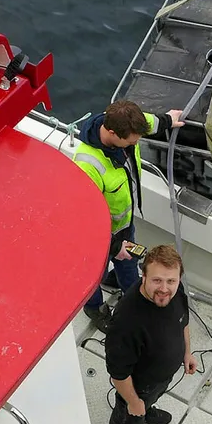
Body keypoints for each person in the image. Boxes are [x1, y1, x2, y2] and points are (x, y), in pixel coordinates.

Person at [73, 100, 183, 332]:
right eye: (132, 142)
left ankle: (127, 288)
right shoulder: (86, 166)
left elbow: (149, 123)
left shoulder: (126, 121)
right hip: (99, 238)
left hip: (125, 225)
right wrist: (113, 247)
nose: (136, 143)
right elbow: (84, 220)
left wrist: (168, 120)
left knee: (129, 262)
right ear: (112, 133)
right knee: (93, 276)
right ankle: (95, 309)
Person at [104, 244, 198, 424]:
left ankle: (148, 408)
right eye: (157, 280)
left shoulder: (177, 293)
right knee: (127, 416)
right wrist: (134, 402)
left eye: (171, 281)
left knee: (151, 399)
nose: (164, 289)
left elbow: (182, 321)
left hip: (161, 379)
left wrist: (186, 352)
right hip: (137, 386)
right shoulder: (127, 321)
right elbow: (118, 373)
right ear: (143, 276)